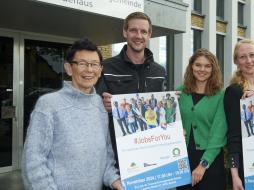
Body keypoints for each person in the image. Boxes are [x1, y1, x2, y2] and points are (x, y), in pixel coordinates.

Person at [22, 39, 122, 190]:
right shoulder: (48, 105)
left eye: (94, 64)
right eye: (82, 63)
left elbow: (106, 157)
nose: (89, 70)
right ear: (69, 68)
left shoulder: (100, 106)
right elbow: (33, 161)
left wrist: (115, 180)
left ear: (100, 69)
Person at [95, 12, 166, 164]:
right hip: (116, 155)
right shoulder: (106, 68)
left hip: (151, 151)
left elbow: (162, 112)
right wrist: (101, 104)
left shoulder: (159, 72)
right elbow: (93, 105)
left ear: (149, 35)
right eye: (133, 30)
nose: (138, 35)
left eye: (143, 31)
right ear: (125, 32)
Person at [224, 39, 254, 190]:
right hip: (250, 164)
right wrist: (235, 175)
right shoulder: (234, 91)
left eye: (252, 55)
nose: (249, 60)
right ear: (236, 61)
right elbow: (233, 136)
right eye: (243, 57)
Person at [177, 49, 227, 190]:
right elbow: (170, 123)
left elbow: (218, 133)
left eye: (207, 66)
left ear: (213, 69)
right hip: (184, 159)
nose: (202, 69)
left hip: (211, 161)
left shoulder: (220, 96)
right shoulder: (179, 93)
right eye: (198, 65)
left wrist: (203, 165)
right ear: (191, 66)